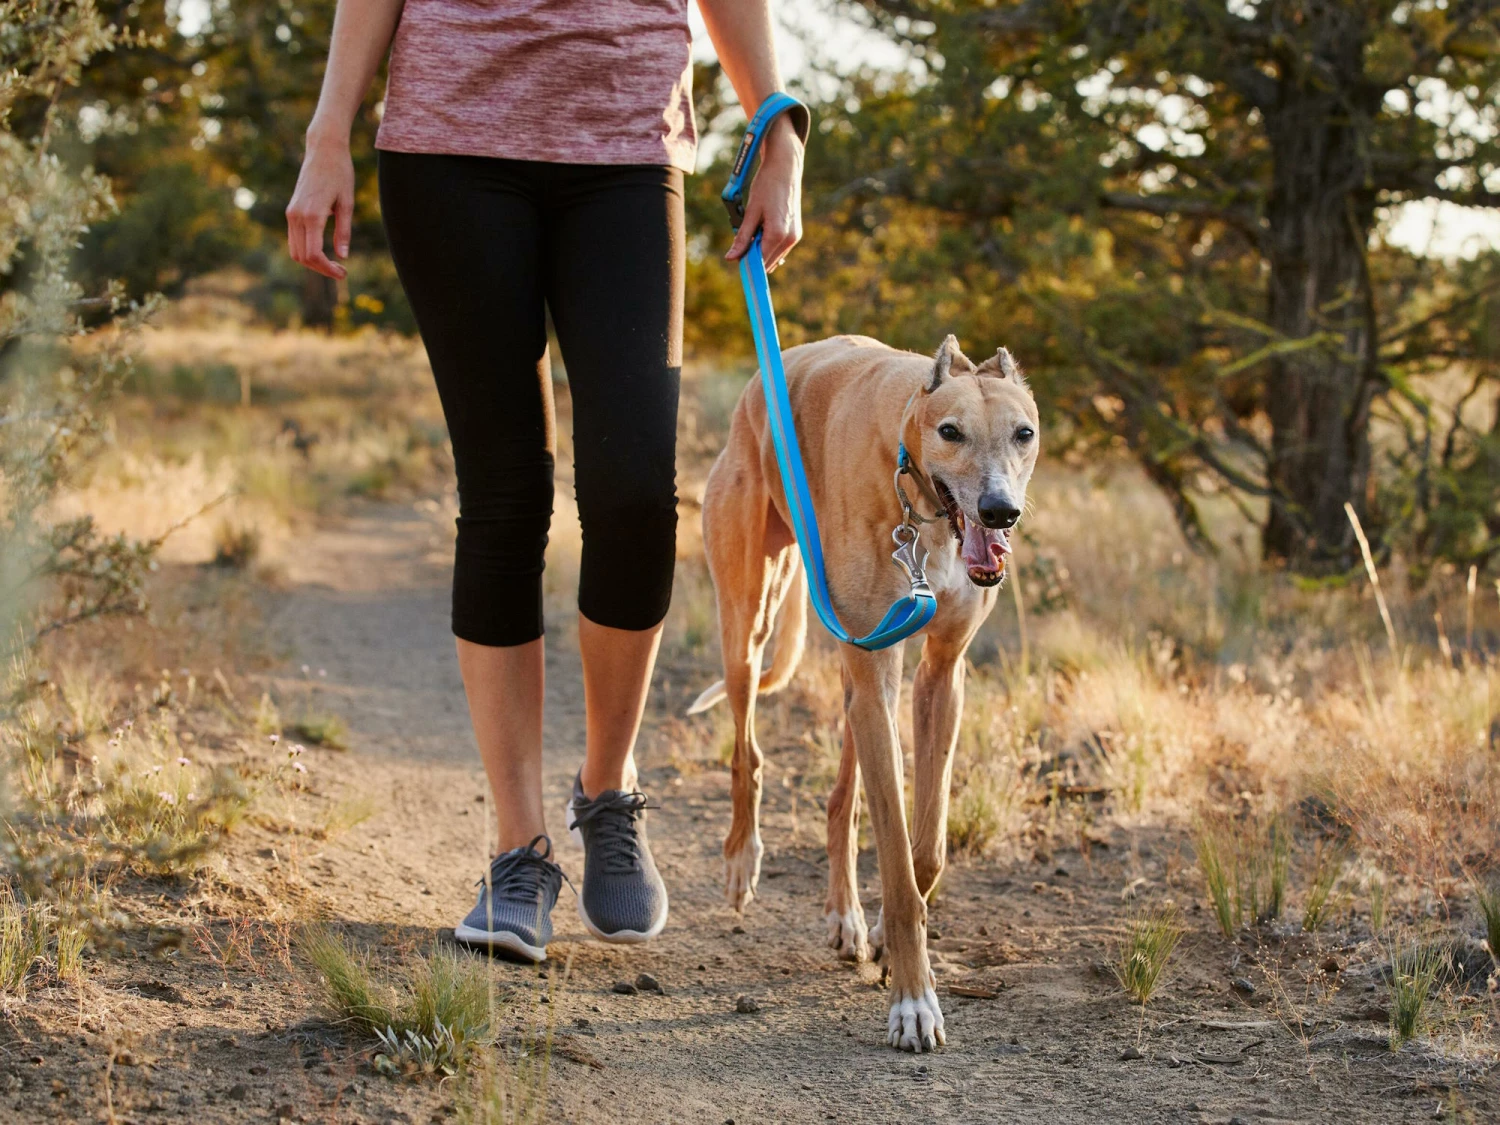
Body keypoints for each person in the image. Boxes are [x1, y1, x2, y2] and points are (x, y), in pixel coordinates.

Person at [286, 0, 805, 961]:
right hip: (449, 150)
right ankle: (516, 849)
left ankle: (606, 789)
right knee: (504, 491)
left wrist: (777, 126)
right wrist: (330, 133)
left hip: (625, 148)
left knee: (637, 488)